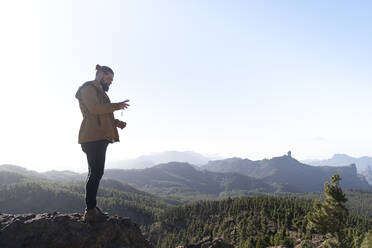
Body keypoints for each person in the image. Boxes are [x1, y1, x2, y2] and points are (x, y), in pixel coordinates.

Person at [75, 64, 130, 222]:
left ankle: (91, 207)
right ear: (99, 75)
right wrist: (116, 106)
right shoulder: (88, 89)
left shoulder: (98, 91)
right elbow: (95, 109)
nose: (110, 82)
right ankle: (90, 209)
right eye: (108, 78)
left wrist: (117, 122)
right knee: (96, 173)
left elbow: (102, 114)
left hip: (98, 136)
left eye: (111, 80)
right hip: (92, 137)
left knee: (95, 172)